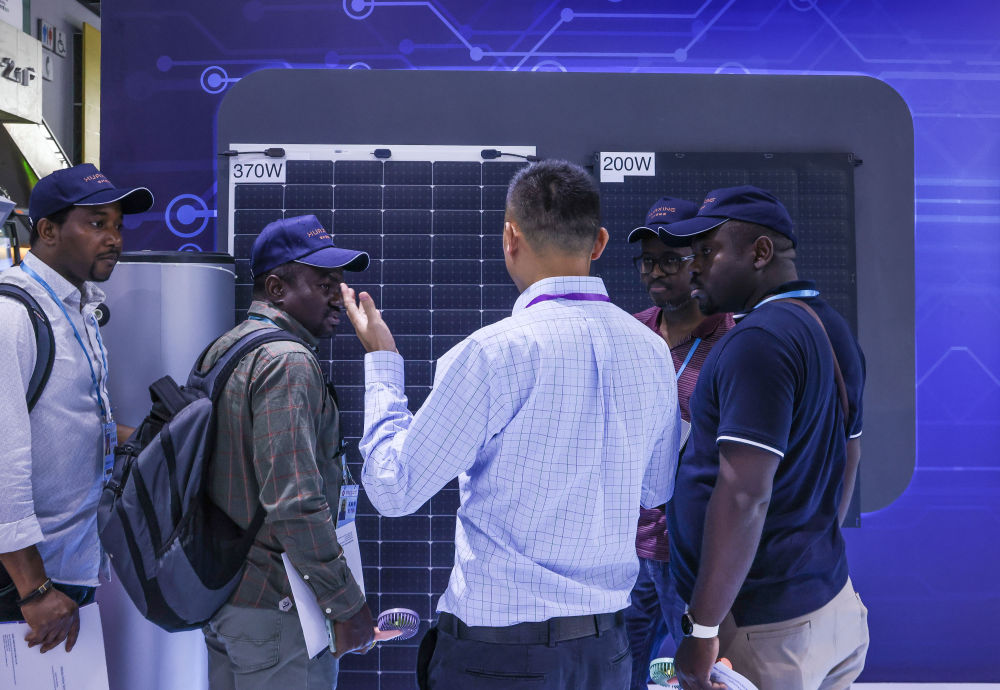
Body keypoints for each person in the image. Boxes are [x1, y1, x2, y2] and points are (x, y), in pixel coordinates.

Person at [341, 160, 681, 689]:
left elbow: (394, 489)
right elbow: (656, 490)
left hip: (499, 659)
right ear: (599, 242)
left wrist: (383, 363)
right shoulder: (653, 352)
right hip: (606, 656)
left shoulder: (493, 353)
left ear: (510, 238)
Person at [663, 186, 868, 690]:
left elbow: (744, 495)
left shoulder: (757, 342)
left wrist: (702, 629)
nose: (693, 268)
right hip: (829, 607)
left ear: (760, 253)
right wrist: (806, 556)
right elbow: (850, 453)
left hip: (765, 635)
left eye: (707, 251)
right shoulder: (831, 325)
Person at [200, 214, 375, 689]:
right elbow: (294, 502)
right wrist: (345, 603)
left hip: (229, 598)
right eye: (324, 284)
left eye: (339, 283)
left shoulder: (226, 348)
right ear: (276, 288)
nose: (338, 297)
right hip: (278, 610)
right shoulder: (288, 361)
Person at [0, 164, 153, 652]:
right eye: (97, 223)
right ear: (48, 231)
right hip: (21, 582)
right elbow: (2, 458)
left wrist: (160, 439)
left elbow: (73, 424)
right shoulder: (13, 315)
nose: (114, 239)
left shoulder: (76, 308)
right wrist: (34, 588)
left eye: (118, 226)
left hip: (67, 568)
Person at [624, 197, 735, 689]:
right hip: (623, 548)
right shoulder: (629, 333)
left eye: (670, 260)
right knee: (614, 676)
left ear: (701, 261)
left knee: (702, 678)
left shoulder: (731, 342)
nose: (655, 272)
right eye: (648, 261)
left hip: (689, 553)